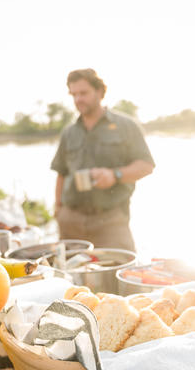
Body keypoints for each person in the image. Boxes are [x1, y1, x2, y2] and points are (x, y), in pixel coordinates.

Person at [50, 69, 155, 252]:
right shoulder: (69, 132)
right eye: (74, 94)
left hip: (111, 221)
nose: (78, 100)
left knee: (119, 275)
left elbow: (146, 166)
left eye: (83, 93)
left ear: (99, 92)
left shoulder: (126, 126)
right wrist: (59, 211)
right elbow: (61, 173)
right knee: (69, 277)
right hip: (70, 221)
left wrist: (115, 175)